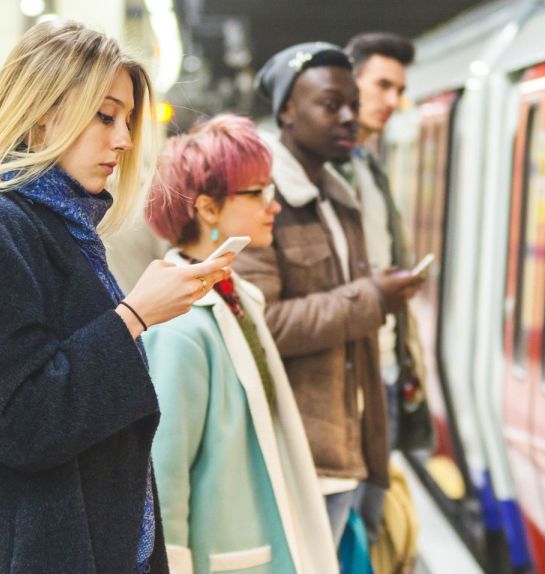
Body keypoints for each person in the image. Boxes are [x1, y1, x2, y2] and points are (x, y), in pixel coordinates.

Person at [0, 19, 234, 572]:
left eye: (128, 119)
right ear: (42, 114)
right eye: (105, 115)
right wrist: (134, 316)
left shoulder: (59, 227)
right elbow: (21, 422)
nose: (124, 139)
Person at [239, 42, 424, 544]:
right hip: (301, 456)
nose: (349, 117)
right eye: (330, 104)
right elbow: (261, 325)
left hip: (348, 443)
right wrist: (372, 299)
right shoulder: (260, 199)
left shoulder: (339, 200)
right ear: (287, 110)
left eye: (352, 105)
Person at [143, 115, 337, 574]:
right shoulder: (179, 327)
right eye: (257, 193)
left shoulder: (235, 295)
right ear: (208, 209)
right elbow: (163, 485)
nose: (274, 206)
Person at [338, 32, 432, 552]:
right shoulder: (324, 171)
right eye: (383, 85)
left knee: (367, 524)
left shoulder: (370, 167)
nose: (393, 101)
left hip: (386, 370)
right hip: (351, 376)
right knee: (349, 529)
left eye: (400, 89)